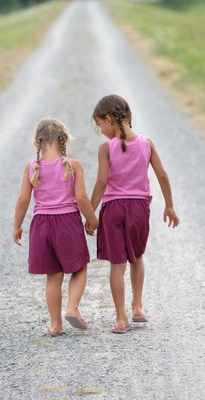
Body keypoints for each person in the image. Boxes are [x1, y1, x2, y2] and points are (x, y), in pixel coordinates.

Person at [87, 94, 179, 334]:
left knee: (117, 265)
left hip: (113, 209)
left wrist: (91, 214)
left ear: (109, 119)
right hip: (139, 209)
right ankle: (137, 306)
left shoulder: (106, 148)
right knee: (137, 257)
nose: (102, 131)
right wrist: (169, 205)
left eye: (100, 126)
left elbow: (101, 182)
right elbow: (163, 175)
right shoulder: (147, 143)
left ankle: (121, 318)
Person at [13, 118, 98, 336]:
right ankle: (72, 308)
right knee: (79, 268)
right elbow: (81, 197)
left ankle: (55, 325)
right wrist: (92, 219)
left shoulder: (32, 168)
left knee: (53, 276)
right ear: (65, 139)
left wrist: (17, 226)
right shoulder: (73, 165)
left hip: (41, 225)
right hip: (67, 222)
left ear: (36, 142)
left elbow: (23, 200)